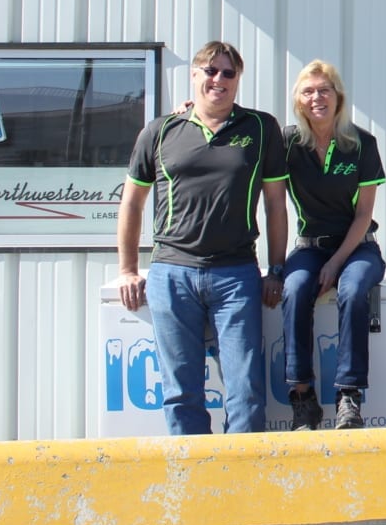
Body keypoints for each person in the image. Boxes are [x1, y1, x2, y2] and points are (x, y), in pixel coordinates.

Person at [114, 41, 289, 437]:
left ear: (238, 80)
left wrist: (276, 269)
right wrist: (127, 269)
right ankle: (195, 482)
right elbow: (131, 204)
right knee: (181, 392)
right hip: (171, 273)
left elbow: (276, 205)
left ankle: (241, 483)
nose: (219, 80)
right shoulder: (160, 131)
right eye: (210, 71)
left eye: (228, 73)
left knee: (245, 392)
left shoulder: (261, 129)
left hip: (237, 275)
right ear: (194, 76)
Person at [278, 59, 386, 431]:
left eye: (324, 89)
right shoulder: (288, 142)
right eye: (308, 91)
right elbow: (240, 138)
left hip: (358, 247)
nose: (317, 98)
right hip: (311, 246)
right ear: (298, 100)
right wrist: (188, 111)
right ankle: (303, 397)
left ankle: (349, 397)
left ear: (338, 96)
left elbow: (363, 215)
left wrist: (337, 262)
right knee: (293, 288)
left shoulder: (361, 143)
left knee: (354, 288)